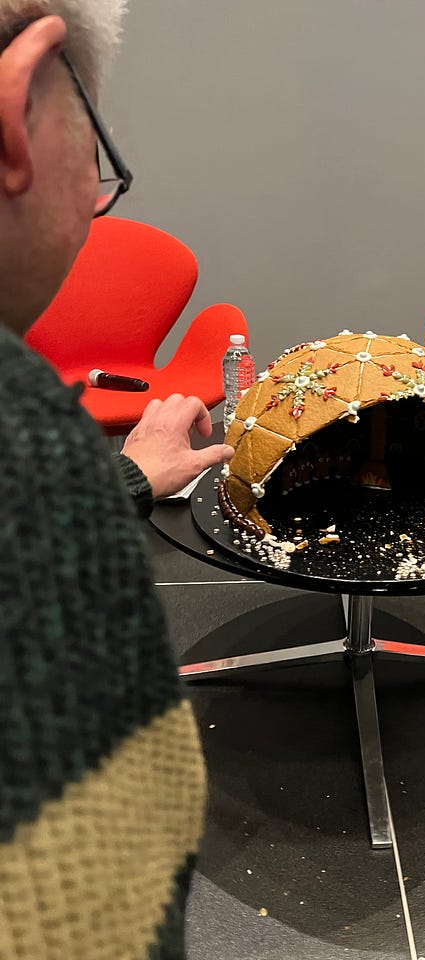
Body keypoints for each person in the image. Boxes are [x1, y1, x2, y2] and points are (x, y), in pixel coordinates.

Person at [0, 5, 234, 956]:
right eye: (94, 138)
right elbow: (89, 920)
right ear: (19, 104)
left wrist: (124, 480)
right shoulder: (23, 439)